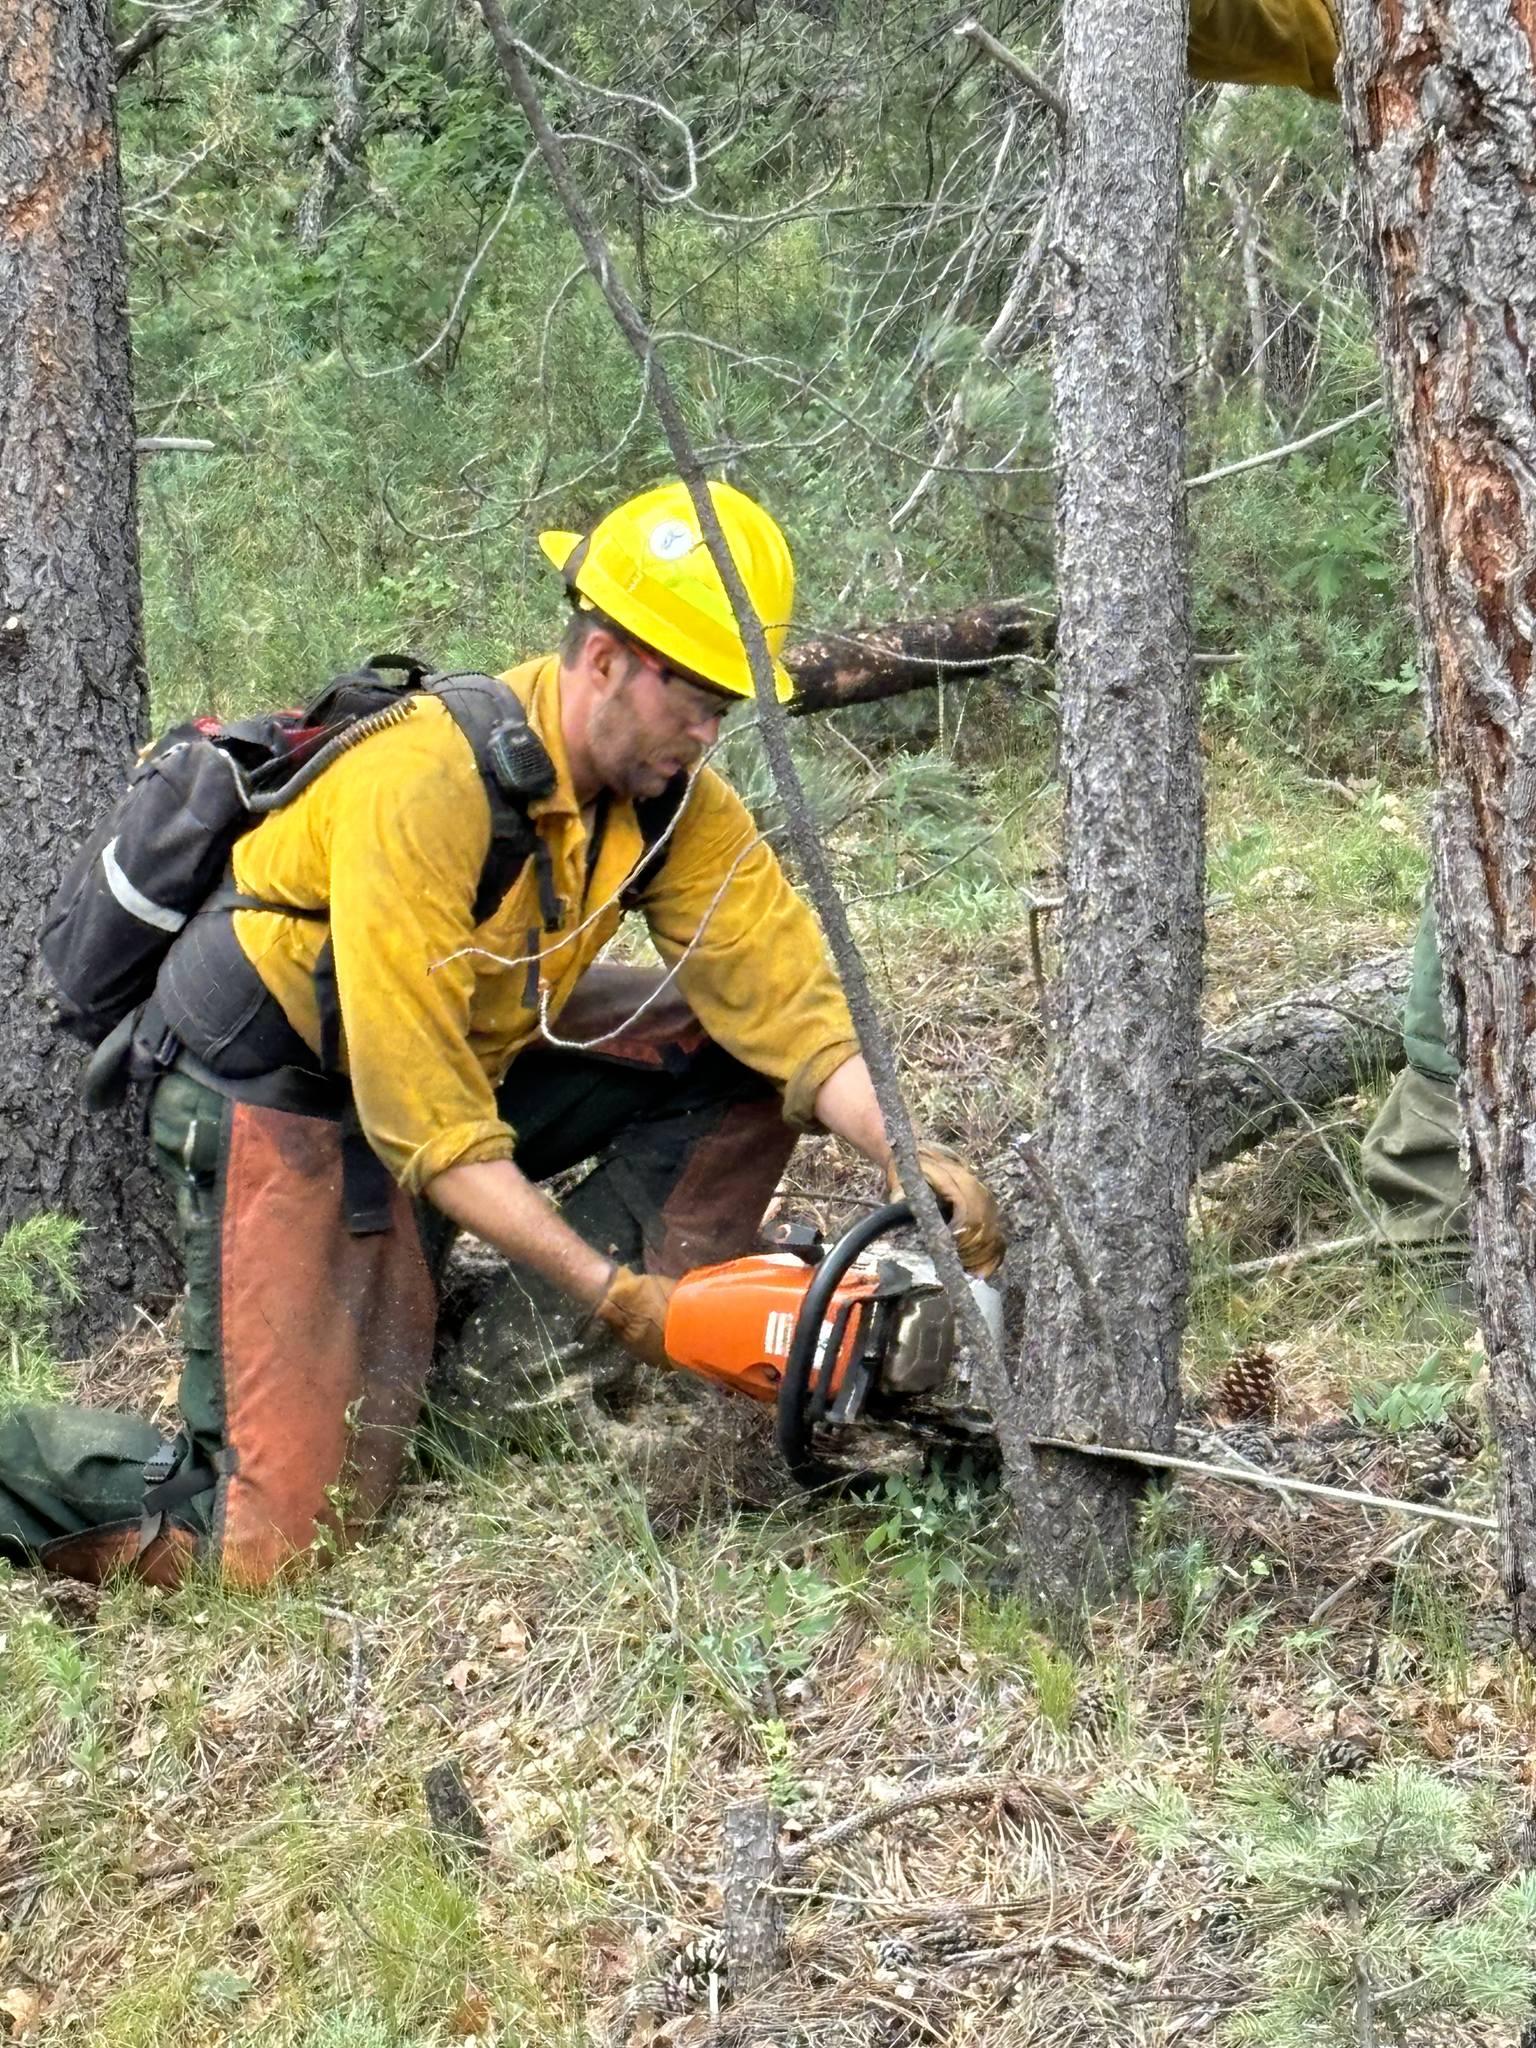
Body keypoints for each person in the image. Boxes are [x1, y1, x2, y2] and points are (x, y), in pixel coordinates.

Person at [0, 479, 1004, 1588]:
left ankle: (517, 1374)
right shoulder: (426, 781)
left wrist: (906, 1155)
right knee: (270, 1545)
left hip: (455, 1051)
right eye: (695, 695)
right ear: (608, 658)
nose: (710, 730)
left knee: (737, 1054)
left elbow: (790, 1011)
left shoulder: (670, 797)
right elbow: (428, 1127)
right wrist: (622, 1295)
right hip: (284, 1088)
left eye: (727, 702)